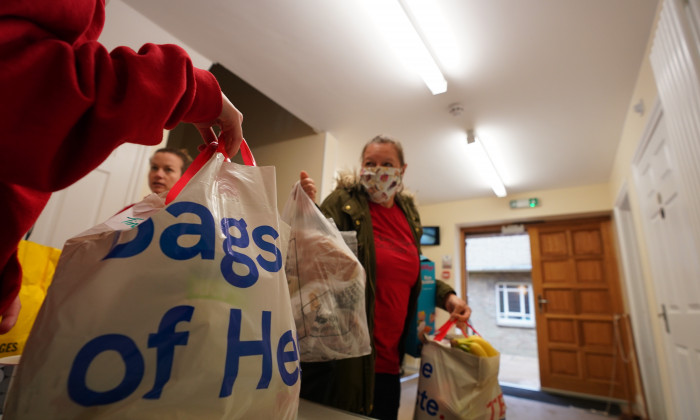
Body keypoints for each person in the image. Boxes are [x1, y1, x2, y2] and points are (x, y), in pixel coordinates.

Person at [0, 0, 245, 334]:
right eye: (155, 167)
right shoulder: (135, 213)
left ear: (190, 173)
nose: (158, 174)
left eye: (168, 170)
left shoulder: (211, 224)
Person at [298, 135, 471, 420]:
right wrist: (307, 212)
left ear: (402, 170)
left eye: (387, 163)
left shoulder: (409, 214)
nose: (378, 170)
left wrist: (448, 297)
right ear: (361, 166)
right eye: (370, 163)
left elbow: (413, 272)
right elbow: (312, 259)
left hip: (391, 359)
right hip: (347, 361)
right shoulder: (343, 202)